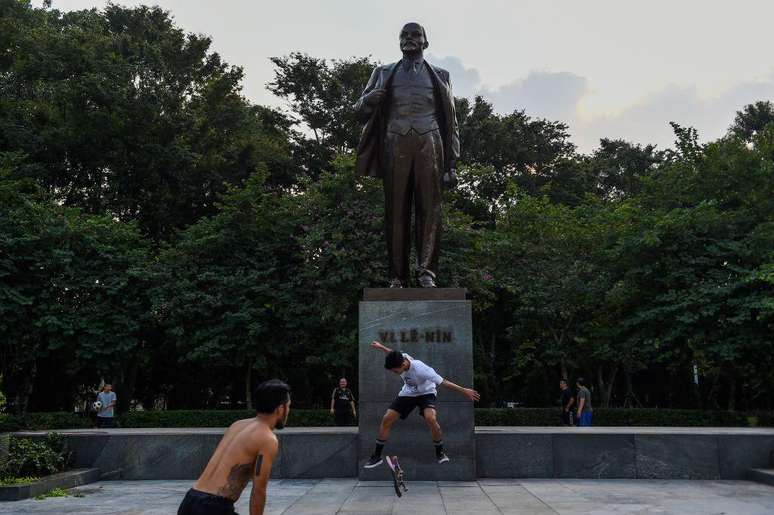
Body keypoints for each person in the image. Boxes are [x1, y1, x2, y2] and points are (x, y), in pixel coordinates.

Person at [354, 22, 460, 288]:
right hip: (394, 144)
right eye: (404, 35)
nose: (409, 39)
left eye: (415, 35)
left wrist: (452, 164)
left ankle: (427, 273)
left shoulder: (442, 75)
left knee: (430, 209)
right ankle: (397, 277)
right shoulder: (382, 72)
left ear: (425, 42)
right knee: (396, 211)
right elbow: (358, 112)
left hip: (430, 143)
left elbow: (452, 123)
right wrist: (368, 101)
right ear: (399, 41)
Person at [178, 380, 291, 515]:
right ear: (280, 408)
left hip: (190, 500)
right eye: (288, 406)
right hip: (213, 507)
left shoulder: (237, 425)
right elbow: (258, 491)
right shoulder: (267, 438)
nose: (288, 411)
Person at [363, 340, 480, 468]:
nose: (396, 373)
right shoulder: (401, 357)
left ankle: (440, 452)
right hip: (408, 393)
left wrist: (465, 391)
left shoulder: (421, 369)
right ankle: (376, 456)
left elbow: (444, 382)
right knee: (387, 419)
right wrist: (381, 347)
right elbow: (392, 353)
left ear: (403, 364)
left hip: (426, 393)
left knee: (431, 418)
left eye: (396, 371)